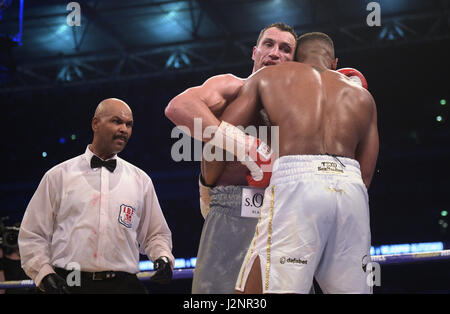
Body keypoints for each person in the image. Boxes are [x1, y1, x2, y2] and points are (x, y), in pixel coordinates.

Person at [198, 32, 379, 294]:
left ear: (295, 58)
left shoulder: (269, 77)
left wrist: (207, 185)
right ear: (335, 62)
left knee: (260, 289)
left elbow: (220, 139)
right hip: (351, 190)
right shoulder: (364, 97)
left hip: (297, 181)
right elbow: (367, 173)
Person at [165, 23, 298, 294]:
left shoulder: (300, 106)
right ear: (255, 51)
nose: (275, 53)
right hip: (232, 210)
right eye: (269, 44)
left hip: (284, 213)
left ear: (294, 60)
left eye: (285, 49)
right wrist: (245, 145)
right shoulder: (232, 86)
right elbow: (178, 107)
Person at [18, 98, 174, 294]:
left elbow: (155, 233)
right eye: (117, 121)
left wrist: (162, 256)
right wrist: (44, 274)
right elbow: (33, 233)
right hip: (71, 282)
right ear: (95, 124)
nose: (124, 129)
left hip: (124, 285)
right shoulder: (58, 176)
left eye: (129, 124)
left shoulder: (140, 180)